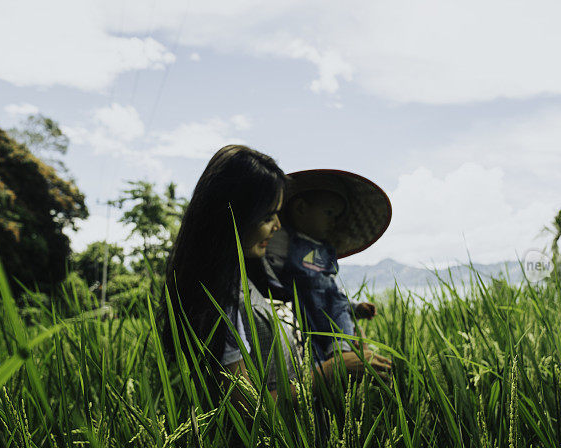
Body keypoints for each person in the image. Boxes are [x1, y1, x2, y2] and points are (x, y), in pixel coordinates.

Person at [160, 146, 392, 414]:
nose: (278, 226)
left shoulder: (260, 277)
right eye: (268, 216)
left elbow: (318, 303)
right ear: (233, 214)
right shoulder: (218, 302)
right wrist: (329, 371)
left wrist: (351, 332)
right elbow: (247, 410)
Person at [266, 169, 392, 363]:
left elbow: (332, 291)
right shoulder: (284, 240)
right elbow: (268, 271)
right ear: (300, 208)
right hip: (302, 313)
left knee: (339, 312)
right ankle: (339, 357)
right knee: (311, 358)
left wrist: (355, 307)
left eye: (337, 216)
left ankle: (342, 351)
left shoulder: (325, 250)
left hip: (329, 312)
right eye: (329, 213)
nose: (333, 221)